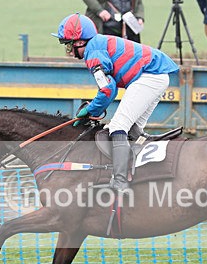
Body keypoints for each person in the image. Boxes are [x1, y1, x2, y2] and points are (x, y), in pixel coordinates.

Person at [52, 13, 178, 193]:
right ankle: (139, 175)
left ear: (80, 42)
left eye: (69, 45)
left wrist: (90, 110)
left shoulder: (93, 54)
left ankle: (120, 182)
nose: (70, 52)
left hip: (149, 76)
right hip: (155, 75)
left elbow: (108, 90)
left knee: (118, 127)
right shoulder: (97, 44)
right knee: (133, 130)